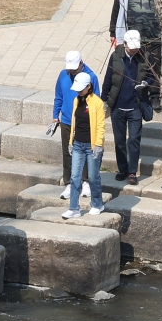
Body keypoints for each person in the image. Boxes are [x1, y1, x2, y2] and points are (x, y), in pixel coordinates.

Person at [51, 52, 100, 199]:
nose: (71, 71)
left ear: (81, 63)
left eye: (74, 68)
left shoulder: (91, 77)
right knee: (67, 153)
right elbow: (59, 96)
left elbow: (96, 100)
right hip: (66, 120)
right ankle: (69, 183)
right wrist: (55, 116)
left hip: (84, 122)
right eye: (69, 68)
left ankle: (86, 182)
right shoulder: (63, 75)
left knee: (85, 151)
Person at [102, 30, 148, 184]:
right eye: (132, 47)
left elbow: (152, 76)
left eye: (137, 47)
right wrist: (103, 100)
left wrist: (146, 84)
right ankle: (123, 169)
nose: (135, 50)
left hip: (135, 106)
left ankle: (132, 172)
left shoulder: (144, 57)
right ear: (125, 44)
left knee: (134, 139)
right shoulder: (115, 57)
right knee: (119, 141)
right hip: (118, 107)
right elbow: (108, 79)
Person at [62, 74, 108, 219]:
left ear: (89, 87)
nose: (78, 92)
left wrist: (98, 144)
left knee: (93, 177)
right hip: (78, 144)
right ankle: (74, 208)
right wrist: (71, 142)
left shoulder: (97, 103)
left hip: (92, 145)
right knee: (75, 177)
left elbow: (101, 125)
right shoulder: (76, 100)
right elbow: (74, 123)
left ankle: (97, 204)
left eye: (81, 89)